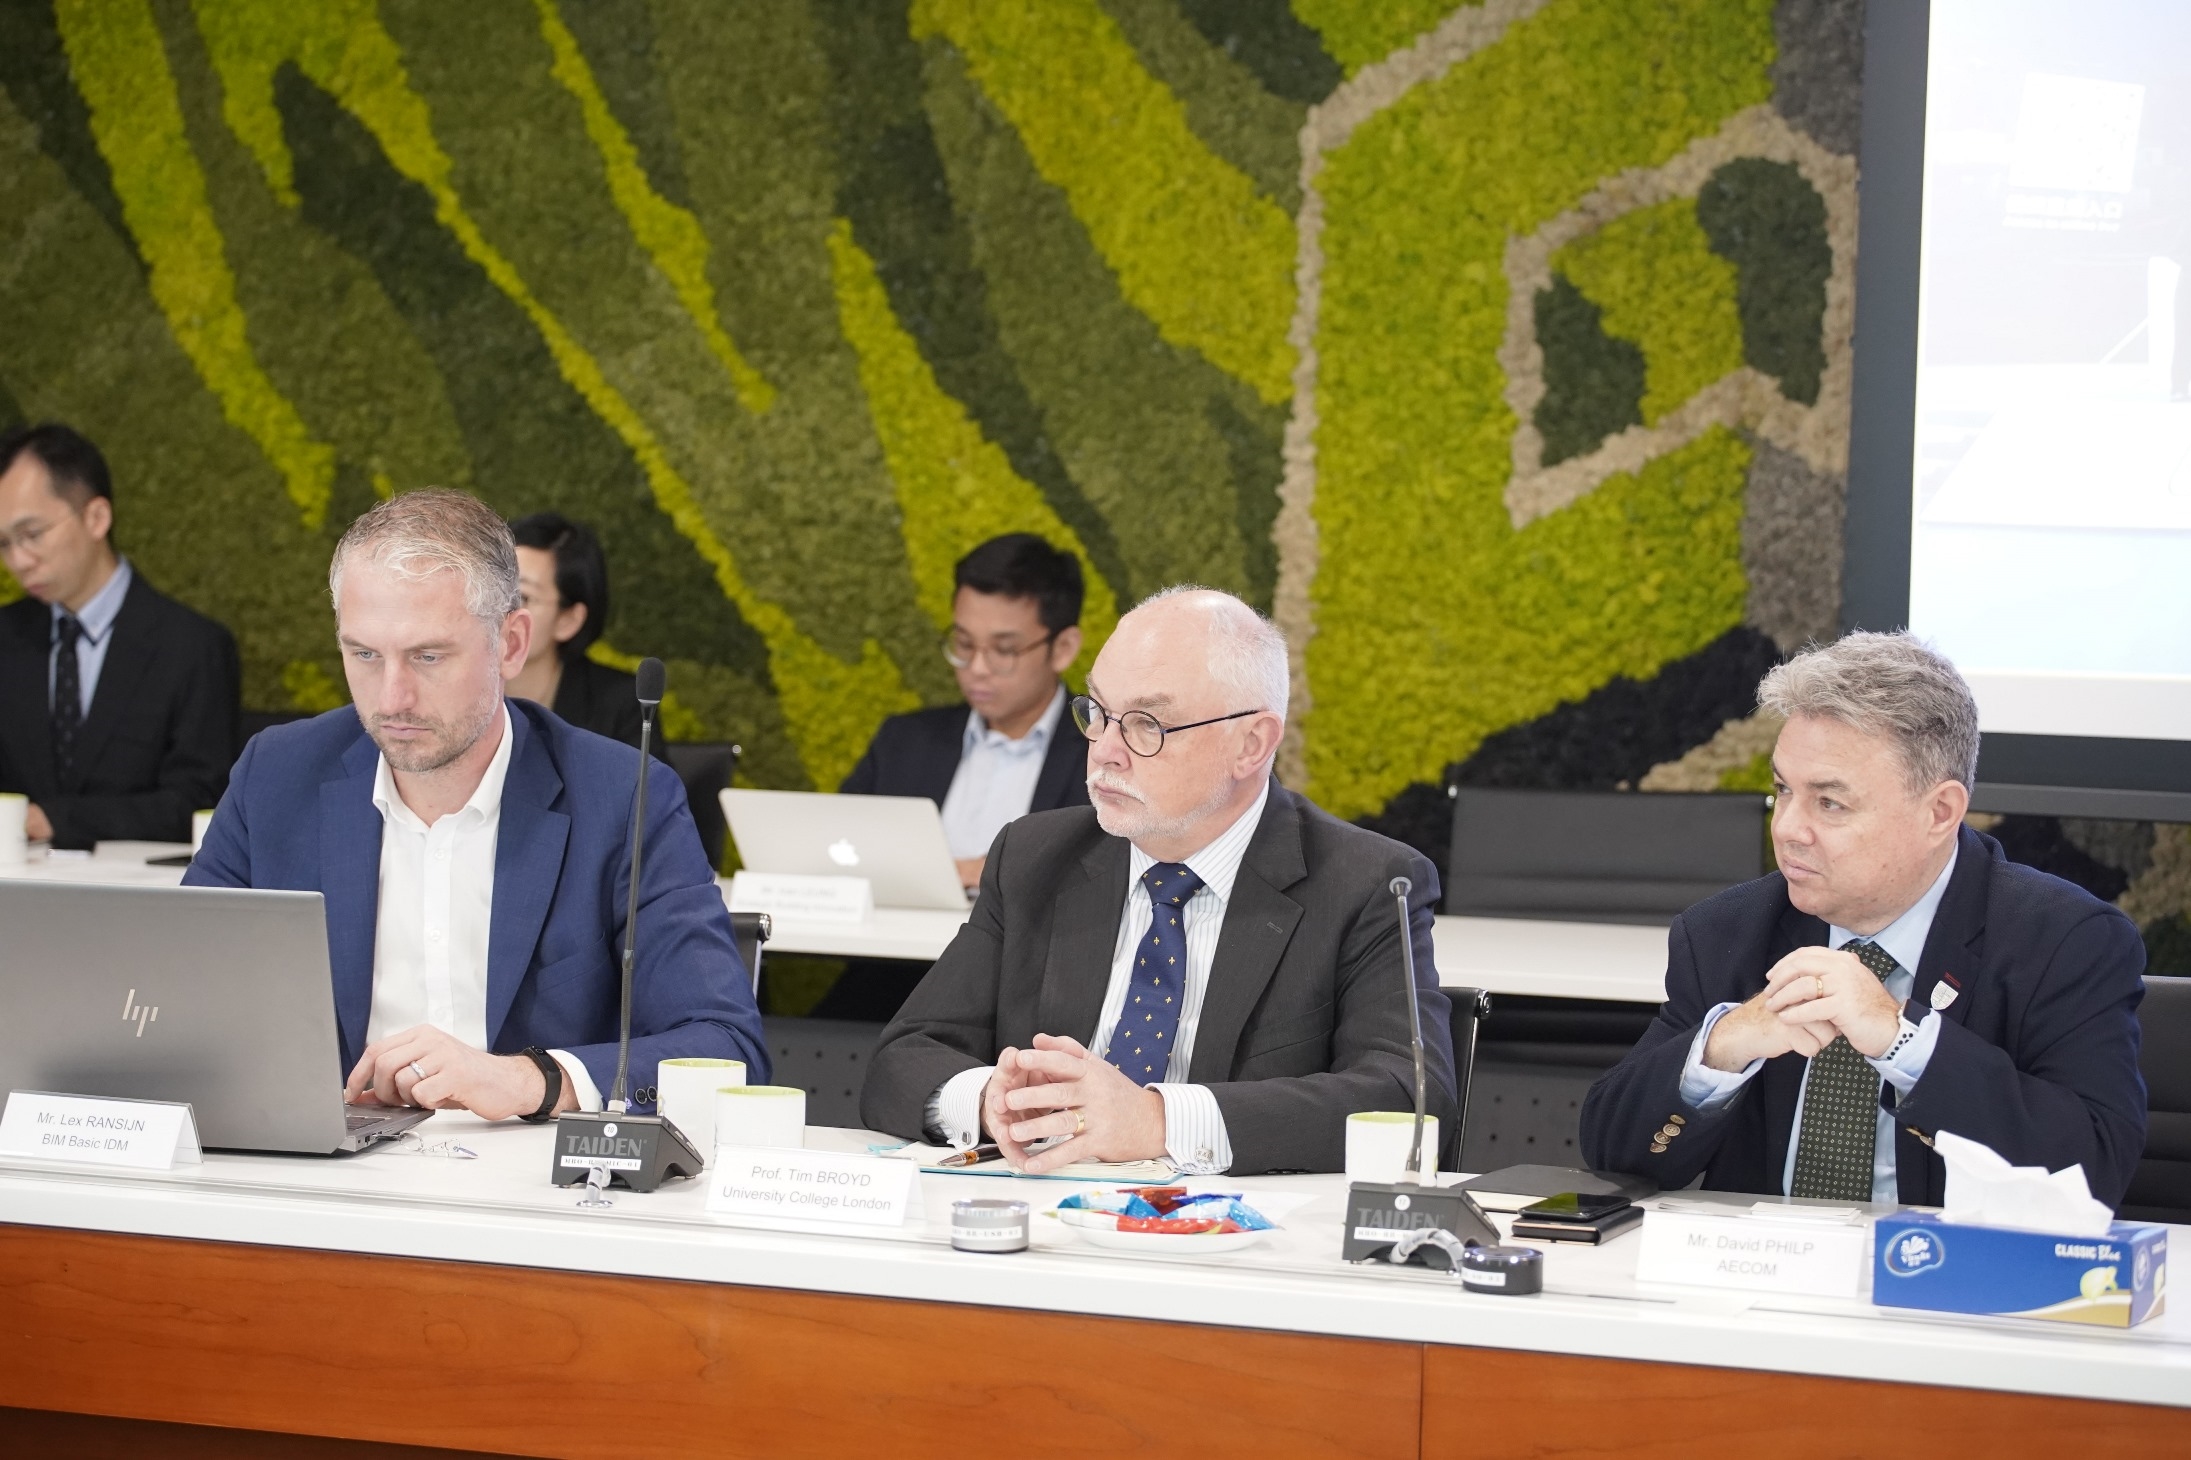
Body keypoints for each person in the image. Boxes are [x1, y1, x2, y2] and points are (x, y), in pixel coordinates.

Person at [186, 490, 767, 1121]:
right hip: (325, 1163)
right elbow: (172, 995)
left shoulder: (623, 796)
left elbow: (727, 1049)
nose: (393, 698)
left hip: (531, 1167)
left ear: (510, 644)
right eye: (364, 655)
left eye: (428, 656)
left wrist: (531, 1080)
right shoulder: (277, 775)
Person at [859, 587, 1457, 1176]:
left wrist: (1155, 1121)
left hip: (1235, 1226)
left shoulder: (1367, 883)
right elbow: (902, 1060)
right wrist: (993, 1100)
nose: (1105, 751)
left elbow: (1409, 1100)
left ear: (1251, 744)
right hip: (1045, 1206)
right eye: (1097, 713)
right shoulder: (1035, 857)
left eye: (1147, 724)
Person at [1580, 632, 2147, 1207]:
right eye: (1783, 790)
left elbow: (2094, 1173)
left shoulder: (2065, 942)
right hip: (1765, 1261)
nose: (1787, 828)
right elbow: (1612, 1157)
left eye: (1830, 802)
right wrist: (1724, 1044)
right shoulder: (1726, 932)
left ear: (1939, 812)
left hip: (1939, 1262)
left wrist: (1901, 1040)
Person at [0, 423, 239, 849]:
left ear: (96, 517)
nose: (18, 560)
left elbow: (201, 802)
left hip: (138, 885)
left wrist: (55, 820)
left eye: (31, 535)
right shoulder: (7, 637)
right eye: (4, 543)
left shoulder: (191, 647)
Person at [842, 533, 1091, 892]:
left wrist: (995, 871)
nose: (977, 668)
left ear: (1063, 648)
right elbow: (838, 843)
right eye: (963, 643)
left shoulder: (1105, 754)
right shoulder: (903, 742)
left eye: (1004, 650)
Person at [506, 512, 661, 758]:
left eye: (522, 597)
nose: (500, 608)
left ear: (568, 620)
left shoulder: (618, 705)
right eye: (495, 590)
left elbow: (646, 783)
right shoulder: (453, 685)